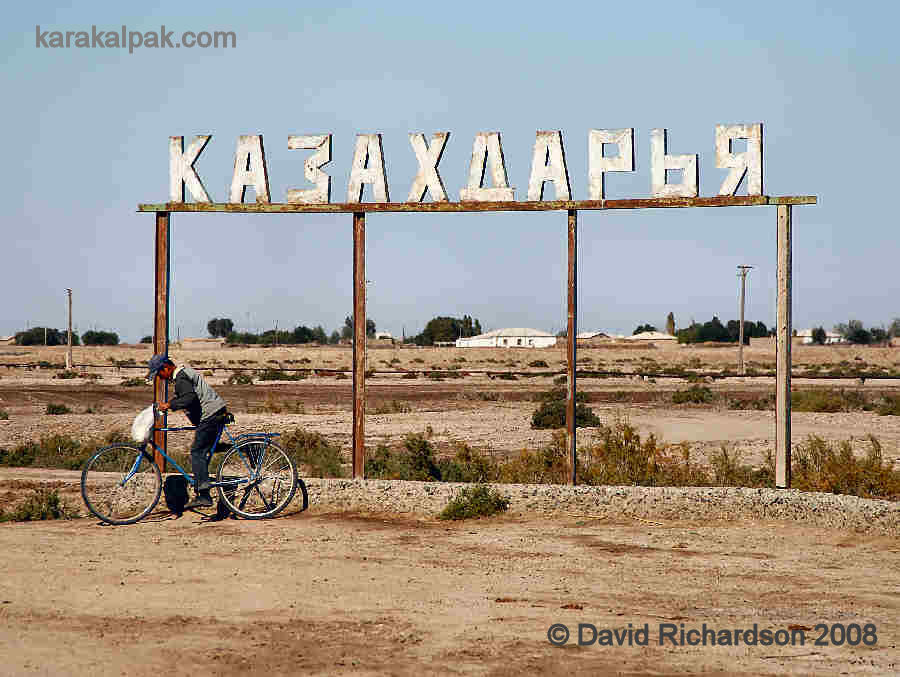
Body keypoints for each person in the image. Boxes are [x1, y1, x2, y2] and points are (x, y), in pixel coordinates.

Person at [147, 354, 228, 509]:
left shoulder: (181, 378)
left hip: (211, 414)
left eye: (159, 373)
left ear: (166, 367)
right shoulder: (183, 374)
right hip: (215, 411)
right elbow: (188, 398)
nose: (160, 377)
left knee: (197, 452)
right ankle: (248, 448)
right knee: (210, 447)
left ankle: (204, 495)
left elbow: (189, 398)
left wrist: (168, 405)